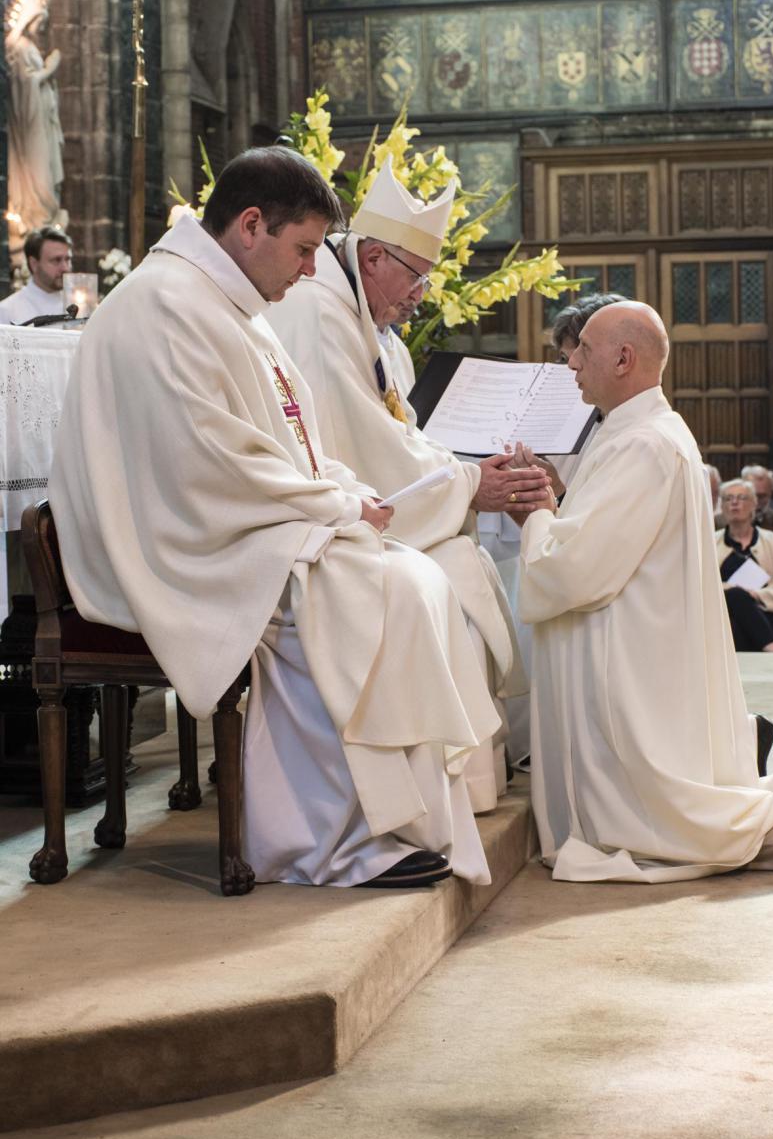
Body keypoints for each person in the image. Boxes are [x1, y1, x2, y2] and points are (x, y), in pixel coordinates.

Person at [48, 146, 504, 892]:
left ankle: (399, 822)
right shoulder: (166, 302)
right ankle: (319, 844)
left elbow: (289, 443)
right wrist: (338, 505)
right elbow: (203, 463)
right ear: (251, 225)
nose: (308, 269)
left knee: (407, 575)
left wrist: (341, 490)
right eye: (301, 250)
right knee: (355, 587)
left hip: (224, 524)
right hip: (172, 543)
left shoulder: (233, 306)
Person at [517, 300, 773, 882]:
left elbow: (579, 569)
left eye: (582, 350)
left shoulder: (640, 443)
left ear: (624, 358)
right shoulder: (644, 430)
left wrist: (536, 514)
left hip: (624, 650)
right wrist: (555, 509)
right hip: (642, 634)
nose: (572, 364)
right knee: (646, 804)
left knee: (643, 815)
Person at [267, 157, 546, 810]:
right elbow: (361, 446)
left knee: (467, 563)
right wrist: (466, 485)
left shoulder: (365, 318)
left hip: (375, 508)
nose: (422, 293)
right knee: (451, 572)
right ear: (373, 260)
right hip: (325, 528)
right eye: (416, 277)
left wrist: (466, 475)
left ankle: (468, 776)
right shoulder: (317, 313)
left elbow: (399, 432)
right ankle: (440, 785)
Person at [4, 0, 65, 234]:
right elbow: (22, 84)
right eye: (39, 22)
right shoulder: (16, 46)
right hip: (29, 121)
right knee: (37, 174)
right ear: (30, 17)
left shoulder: (28, 46)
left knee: (47, 171)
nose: (41, 29)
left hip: (42, 119)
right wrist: (49, 69)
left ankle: (45, 217)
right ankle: (36, 218)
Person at [715, 478, 773, 652]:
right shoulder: (710, 544)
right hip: (722, 615)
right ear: (722, 507)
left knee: (740, 614)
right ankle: (772, 649)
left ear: (754, 504)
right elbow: (702, 585)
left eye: (741, 498)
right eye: (728, 499)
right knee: (735, 601)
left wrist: (755, 595)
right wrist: (736, 592)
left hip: (768, 611)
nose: (735, 503)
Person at [0, 225, 72, 326]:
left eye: (67, 259)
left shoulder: (80, 306)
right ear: (34, 264)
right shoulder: (7, 312)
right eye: (56, 260)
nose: (65, 268)